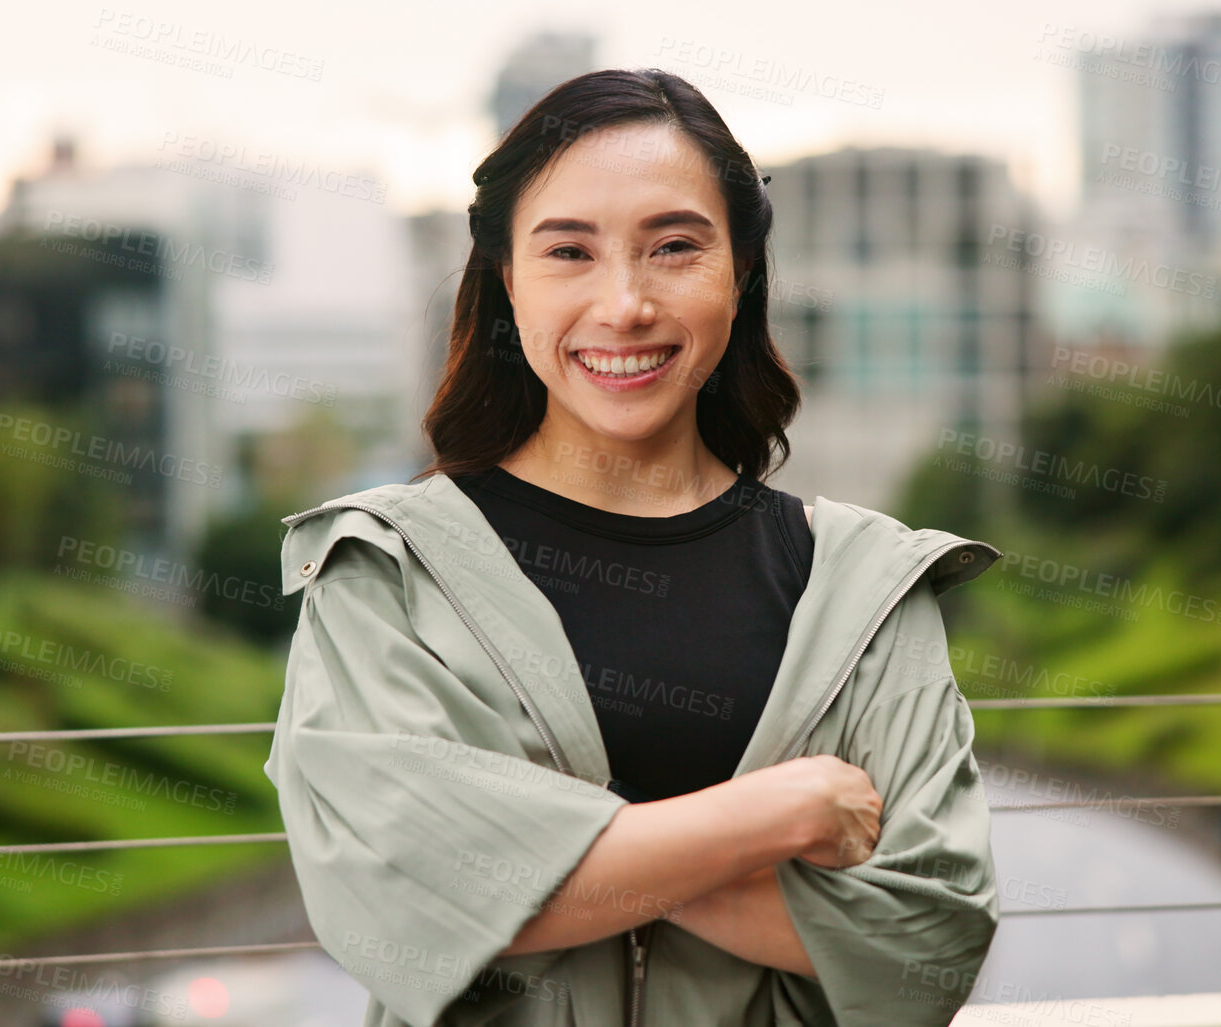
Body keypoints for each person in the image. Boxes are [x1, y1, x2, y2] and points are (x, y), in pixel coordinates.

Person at [264, 67, 1004, 1026]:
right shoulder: (383, 568)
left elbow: (929, 950)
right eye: (569, 250)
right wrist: (782, 812)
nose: (624, 304)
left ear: (740, 271)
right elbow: (393, 894)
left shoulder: (865, 584)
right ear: (507, 280)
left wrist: (520, 866)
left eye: (674, 248)